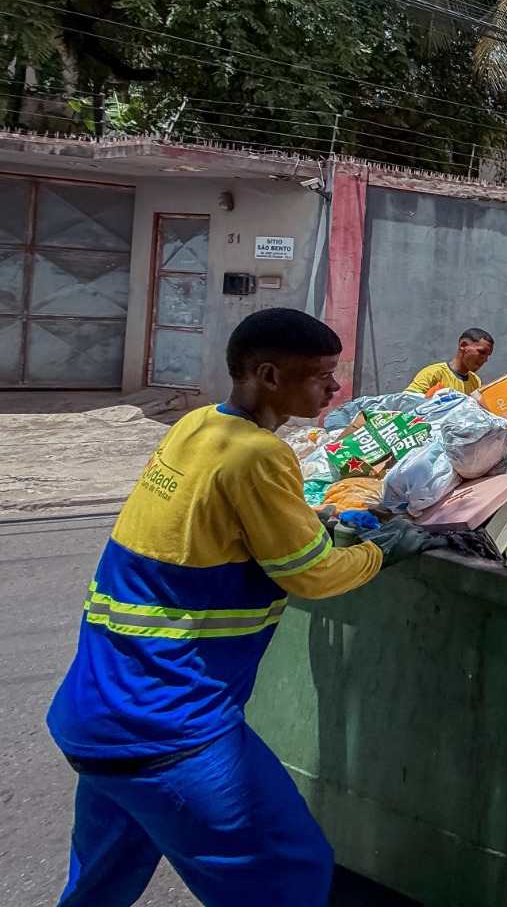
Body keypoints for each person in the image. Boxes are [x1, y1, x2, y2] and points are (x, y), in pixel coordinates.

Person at [48, 307, 443, 907]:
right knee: (292, 873)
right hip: (169, 726)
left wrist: (317, 519)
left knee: (102, 884)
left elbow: (214, 525)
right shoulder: (259, 455)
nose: (335, 389)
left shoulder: (199, 428)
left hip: (96, 711)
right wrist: (379, 555)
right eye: (322, 376)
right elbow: (308, 575)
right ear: (268, 375)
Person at [406, 327, 495, 397]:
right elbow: (406, 400)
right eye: (482, 352)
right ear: (463, 346)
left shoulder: (475, 381)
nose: (485, 359)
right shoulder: (434, 373)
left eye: (488, 355)